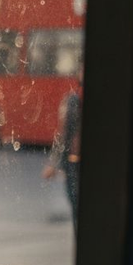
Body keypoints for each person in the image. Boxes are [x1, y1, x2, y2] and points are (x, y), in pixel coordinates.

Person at [42, 71, 82, 230]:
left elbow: (65, 132)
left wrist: (53, 163)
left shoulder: (73, 99)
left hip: (74, 162)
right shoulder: (74, 99)